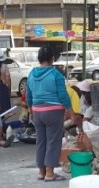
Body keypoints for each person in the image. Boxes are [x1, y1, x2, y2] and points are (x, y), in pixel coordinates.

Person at [26, 45, 74, 182]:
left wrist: (31, 110)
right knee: (53, 141)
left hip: (37, 111)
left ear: (39, 59)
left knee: (41, 141)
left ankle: (41, 172)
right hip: (53, 112)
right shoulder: (55, 74)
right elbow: (63, 95)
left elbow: (28, 95)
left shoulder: (31, 73)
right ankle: (50, 173)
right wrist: (71, 111)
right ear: (52, 59)